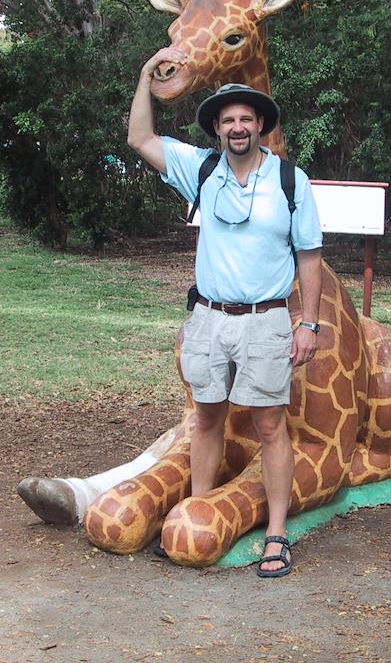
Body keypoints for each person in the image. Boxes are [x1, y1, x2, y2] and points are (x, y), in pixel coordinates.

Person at [127, 47, 323, 577]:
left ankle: (277, 535)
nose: (238, 127)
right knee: (207, 418)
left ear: (260, 125)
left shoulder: (290, 180)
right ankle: (196, 516)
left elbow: (309, 255)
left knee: (270, 425)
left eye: (246, 119)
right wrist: (145, 77)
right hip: (209, 318)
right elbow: (140, 138)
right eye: (228, 120)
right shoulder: (202, 169)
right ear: (217, 128)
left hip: (266, 318)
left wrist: (308, 322)